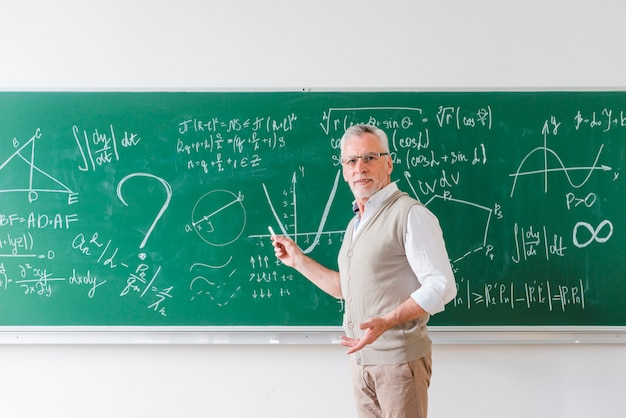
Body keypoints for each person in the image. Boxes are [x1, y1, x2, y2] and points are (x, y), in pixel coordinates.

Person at [271, 124, 457, 418]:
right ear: (344, 171)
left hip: (399, 362)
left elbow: (441, 285)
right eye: (351, 161)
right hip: (361, 362)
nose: (360, 168)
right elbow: (345, 288)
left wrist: (387, 321)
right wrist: (298, 260)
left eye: (370, 158)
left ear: (389, 163)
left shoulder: (409, 214)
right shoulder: (355, 224)